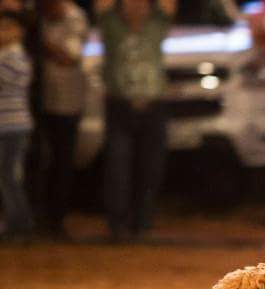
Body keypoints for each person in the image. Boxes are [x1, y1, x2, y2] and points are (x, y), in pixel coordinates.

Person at [95, 0, 176, 242]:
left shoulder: (158, 23)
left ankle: (142, 223)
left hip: (154, 106)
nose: (137, 5)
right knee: (116, 167)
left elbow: (169, 6)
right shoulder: (110, 24)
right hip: (120, 106)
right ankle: (117, 225)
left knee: (151, 167)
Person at [37, 0, 88, 239]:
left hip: (66, 103)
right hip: (38, 103)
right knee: (37, 162)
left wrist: (38, 41)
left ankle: (55, 221)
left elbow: (70, 57)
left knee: (62, 163)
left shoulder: (73, 17)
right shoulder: (38, 16)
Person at [0, 10, 32, 241]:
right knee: (8, 175)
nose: (4, 32)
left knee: (8, 176)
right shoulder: (10, 56)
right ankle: (17, 222)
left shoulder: (13, 58)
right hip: (10, 125)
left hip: (11, 126)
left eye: (9, 27)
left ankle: (19, 223)